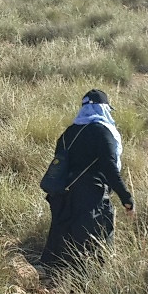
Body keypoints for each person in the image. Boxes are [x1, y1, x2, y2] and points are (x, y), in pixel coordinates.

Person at [40, 89, 135, 271]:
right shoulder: (103, 132)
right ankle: (86, 292)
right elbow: (110, 168)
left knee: (66, 247)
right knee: (94, 249)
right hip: (92, 199)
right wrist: (126, 197)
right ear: (104, 108)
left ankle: (55, 286)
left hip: (64, 196)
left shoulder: (68, 133)